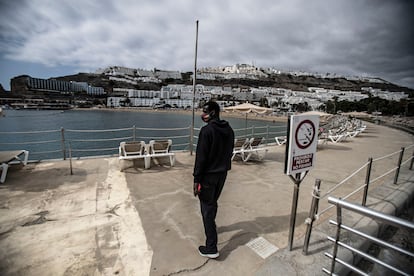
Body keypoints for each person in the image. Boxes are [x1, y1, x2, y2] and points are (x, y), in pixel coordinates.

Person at [193, 101, 235, 259]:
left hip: (208, 176)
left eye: (204, 111)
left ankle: (211, 247)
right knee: (213, 202)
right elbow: (230, 151)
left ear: (212, 113)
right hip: (222, 174)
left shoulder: (207, 131)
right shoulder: (229, 130)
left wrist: (196, 180)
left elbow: (201, 159)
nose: (202, 114)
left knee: (206, 208)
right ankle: (212, 226)